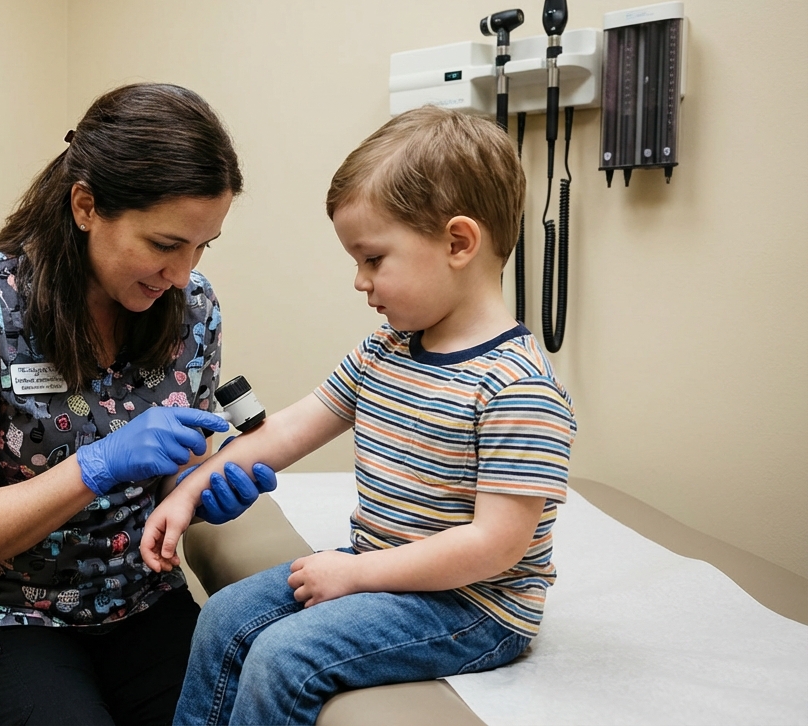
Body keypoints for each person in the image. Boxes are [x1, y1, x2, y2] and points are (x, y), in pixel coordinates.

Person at [142, 106, 578, 725]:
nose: (358, 281)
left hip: (474, 606)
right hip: (385, 567)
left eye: (372, 259)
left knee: (283, 658)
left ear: (458, 243)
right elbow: (291, 428)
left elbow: (494, 547)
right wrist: (187, 493)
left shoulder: (516, 389)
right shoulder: (385, 351)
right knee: (221, 618)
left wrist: (356, 574)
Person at [0, 83, 276, 726]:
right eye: (164, 244)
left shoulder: (192, 309)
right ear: (85, 206)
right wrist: (96, 466)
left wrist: (198, 490)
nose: (182, 274)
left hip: (139, 599)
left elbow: (174, 473)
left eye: (202, 246)